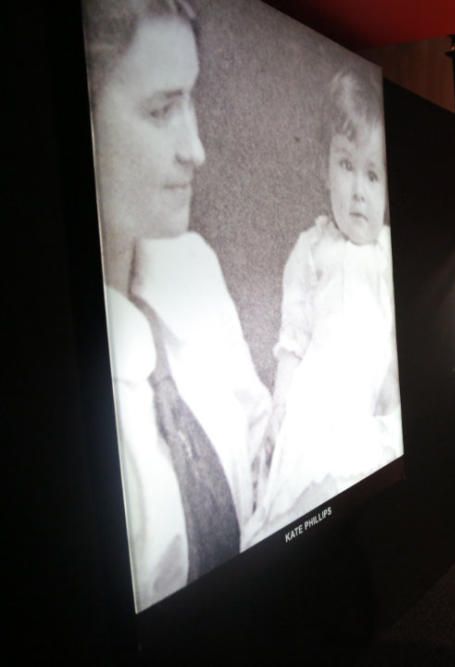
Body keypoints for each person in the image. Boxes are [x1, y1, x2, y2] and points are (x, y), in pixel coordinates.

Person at [82, 0, 271, 611]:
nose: (196, 150)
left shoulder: (192, 265)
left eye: (190, 101)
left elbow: (257, 434)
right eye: (162, 110)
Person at [244, 68, 402, 545]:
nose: (358, 190)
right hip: (310, 411)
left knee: (347, 494)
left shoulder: (387, 256)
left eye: (372, 175)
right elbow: (293, 342)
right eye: (346, 165)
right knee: (293, 506)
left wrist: (393, 410)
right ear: (324, 169)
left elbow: (394, 352)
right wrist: (279, 408)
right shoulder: (310, 249)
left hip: (357, 414)